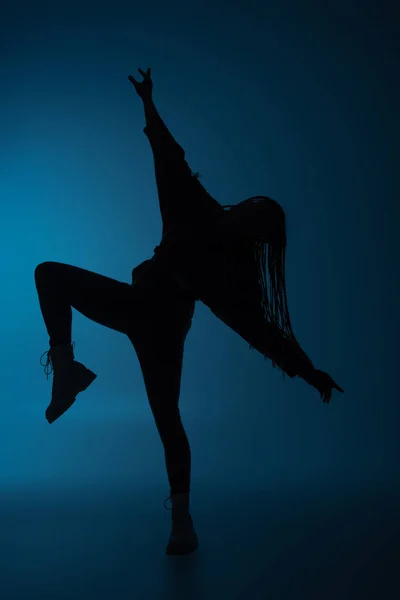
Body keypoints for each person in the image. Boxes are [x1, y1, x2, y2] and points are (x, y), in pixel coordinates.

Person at [34, 67, 343, 557]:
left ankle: (182, 522)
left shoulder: (230, 279)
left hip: (163, 331)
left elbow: (266, 334)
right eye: (257, 208)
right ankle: (67, 370)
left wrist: (310, 373)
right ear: (247, 204)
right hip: (135, 304)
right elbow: (166, 153)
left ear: (258, 240)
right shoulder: (194, 207)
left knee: (167, 420)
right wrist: (148, 103)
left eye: (261, 226)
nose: (251, 218)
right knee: (48, 273)